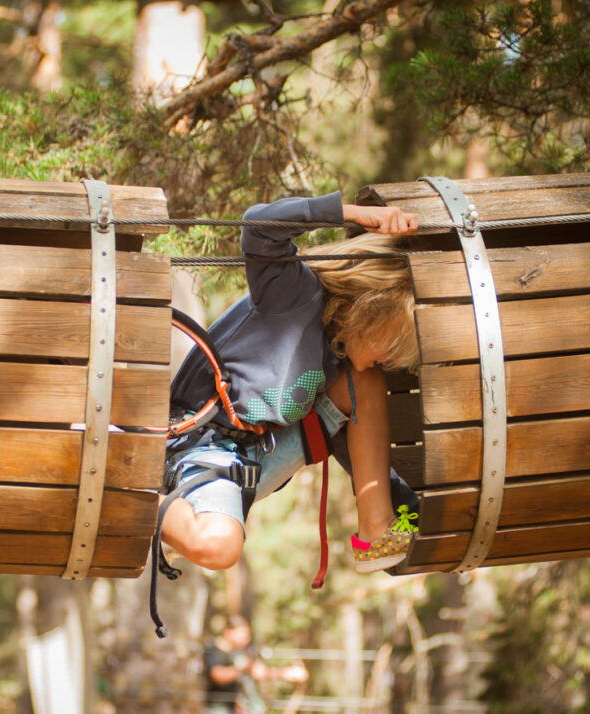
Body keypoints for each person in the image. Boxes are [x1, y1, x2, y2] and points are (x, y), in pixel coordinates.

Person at [160, 192, 420, 577]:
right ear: (370, 305)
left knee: (365, 379)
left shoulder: (340, 353)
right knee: (219, 547)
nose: (393, 357)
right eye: (394, 341)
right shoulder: (293, 292)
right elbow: (259, 226)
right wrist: (353, 213)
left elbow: (360, 443)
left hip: (256, 455)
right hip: (203, 450)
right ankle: (144, 504)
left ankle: (376, 531)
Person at [203, 615, 307, 714]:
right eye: (243, 635)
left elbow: (258, 672)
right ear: (229, 632)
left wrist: (286, 673)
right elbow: (218, 676)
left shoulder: (240, 652)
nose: (247, 639)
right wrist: (241, 668)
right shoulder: (214, 651)